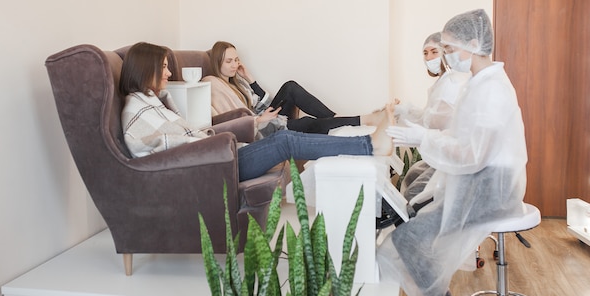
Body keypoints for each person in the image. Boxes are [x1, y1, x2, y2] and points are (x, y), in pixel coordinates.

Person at [379, 9, 528, 296]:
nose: (445, 56)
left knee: (407, 239)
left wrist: (424, 139)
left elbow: (474, 153)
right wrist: (426, 136)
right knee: (409, 218)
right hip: (477, 182)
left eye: (448, 48)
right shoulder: (479, 83)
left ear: (473, 43)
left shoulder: (491, 89)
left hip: (491, 189)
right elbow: (462, 139)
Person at [119, 42, 394, 182]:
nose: (168, 73)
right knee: (287, 139)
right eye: (164, 67)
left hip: (224, 151)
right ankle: (368, 142)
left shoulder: (152, 102)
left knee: (288, 123)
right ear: (147, 70)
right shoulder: (139, 111)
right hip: (218, 161)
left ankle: (365, 139)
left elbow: (188, 139)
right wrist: (232, 136)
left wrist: (248, 82)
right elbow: (175, 152)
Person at [203, 41, 390, 136]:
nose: (235, 65)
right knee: (307, 122)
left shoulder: (238, 82)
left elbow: (266, 103)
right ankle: (361, 120)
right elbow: (236, 118)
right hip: (259, 127)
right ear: (217, 61)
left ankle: (338, 120)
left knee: (290, 87)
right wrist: (260, 119)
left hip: (265, 116)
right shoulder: (214, 84)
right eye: (229, 61)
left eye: (236, 60)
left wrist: (251, 80)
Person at [394, 32, 470, 203]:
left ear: (445, 52)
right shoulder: (442, 82)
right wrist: (405, 110)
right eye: (425, 53)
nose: (429, 58)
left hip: (452, 155)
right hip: (442, 150)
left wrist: (407, 122)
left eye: (434, 52)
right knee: (411, 177)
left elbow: (435, 123)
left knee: (414, 195)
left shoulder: (452, 82)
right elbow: (428, 116)